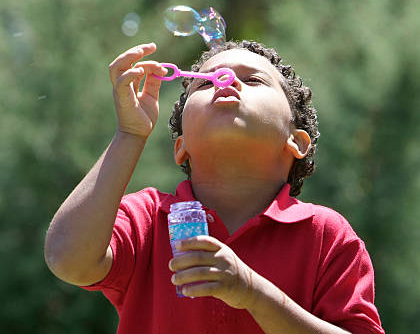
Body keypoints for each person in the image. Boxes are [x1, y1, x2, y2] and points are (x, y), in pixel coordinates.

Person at [44, 40, 385, 334]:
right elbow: (67, 259)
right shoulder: (148, 218)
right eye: (204, 85)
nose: (225, 82)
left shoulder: (325, 234)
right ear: (181, 147)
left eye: (252, 79)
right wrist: (130, 134)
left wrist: (251, 291)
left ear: (296, 141)